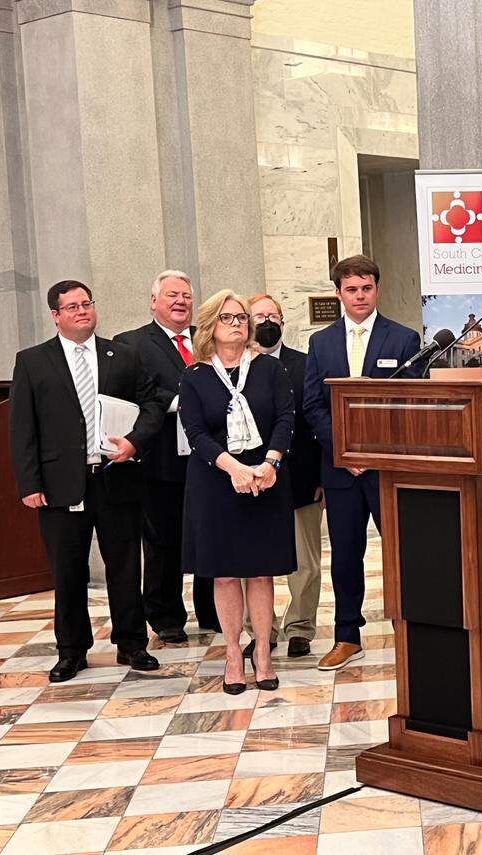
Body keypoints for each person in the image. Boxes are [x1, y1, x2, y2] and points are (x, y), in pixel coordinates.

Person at [9, 280, 165, 682]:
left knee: (126, 566)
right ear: (55, 315)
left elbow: (151, 406)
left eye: (87, 304)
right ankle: (72, 651)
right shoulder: (32, 361)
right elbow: (22, 427)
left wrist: (133, 441)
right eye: (72, 306)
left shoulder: (123, 355)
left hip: (117, 478)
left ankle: (132, 644)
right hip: (61, 484)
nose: (82, 311)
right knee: (68, 570)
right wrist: (30, 484)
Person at [303, 254, 421, 670]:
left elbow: (411, 405)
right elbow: (313, 405)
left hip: (387, 470)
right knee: (346, 556)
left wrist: (372, 454)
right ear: (339, 293)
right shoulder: (321, 342)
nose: (359, 296)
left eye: (366, 288)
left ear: (377, 289)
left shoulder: (404, 338)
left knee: (404, 552)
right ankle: (346, 636)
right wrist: (346, 451)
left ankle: (411, 630)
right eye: (351, 289)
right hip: (340, 472)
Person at [179, 290, 296, 694]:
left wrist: (269, 464)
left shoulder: (268, 369)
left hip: (266, 480)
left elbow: (285, 418)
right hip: (216, 483)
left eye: (242, 318)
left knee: (261, 573)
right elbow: (195, 433)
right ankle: (232, 652)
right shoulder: (194, 375)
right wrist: (234, 468)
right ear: (211, 325)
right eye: (228, 318)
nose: (237, 324)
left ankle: (262, 651)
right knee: (226, 575)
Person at [115, 270, 220, 641]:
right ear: (154, 301)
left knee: (210, 535)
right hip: (161, 460)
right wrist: (181, 402)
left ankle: (213, 611)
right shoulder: (131, 344)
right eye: (173, 295)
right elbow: (135, 394)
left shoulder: (208, 340)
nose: (181, 302)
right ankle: (165, 616)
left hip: (210, 459)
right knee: (164, 541)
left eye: (187, 296)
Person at [237, 293, 324, 659]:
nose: (268, 321)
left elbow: (318, 421)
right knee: (253, 560)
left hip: (301, 475)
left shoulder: (306, 364)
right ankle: (260, 630)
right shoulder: (236, 367)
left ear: (283, 323)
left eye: (274, 315)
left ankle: (300, 627)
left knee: (305, 560)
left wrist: (322, 475)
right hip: (251, 479)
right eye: (260, 315)